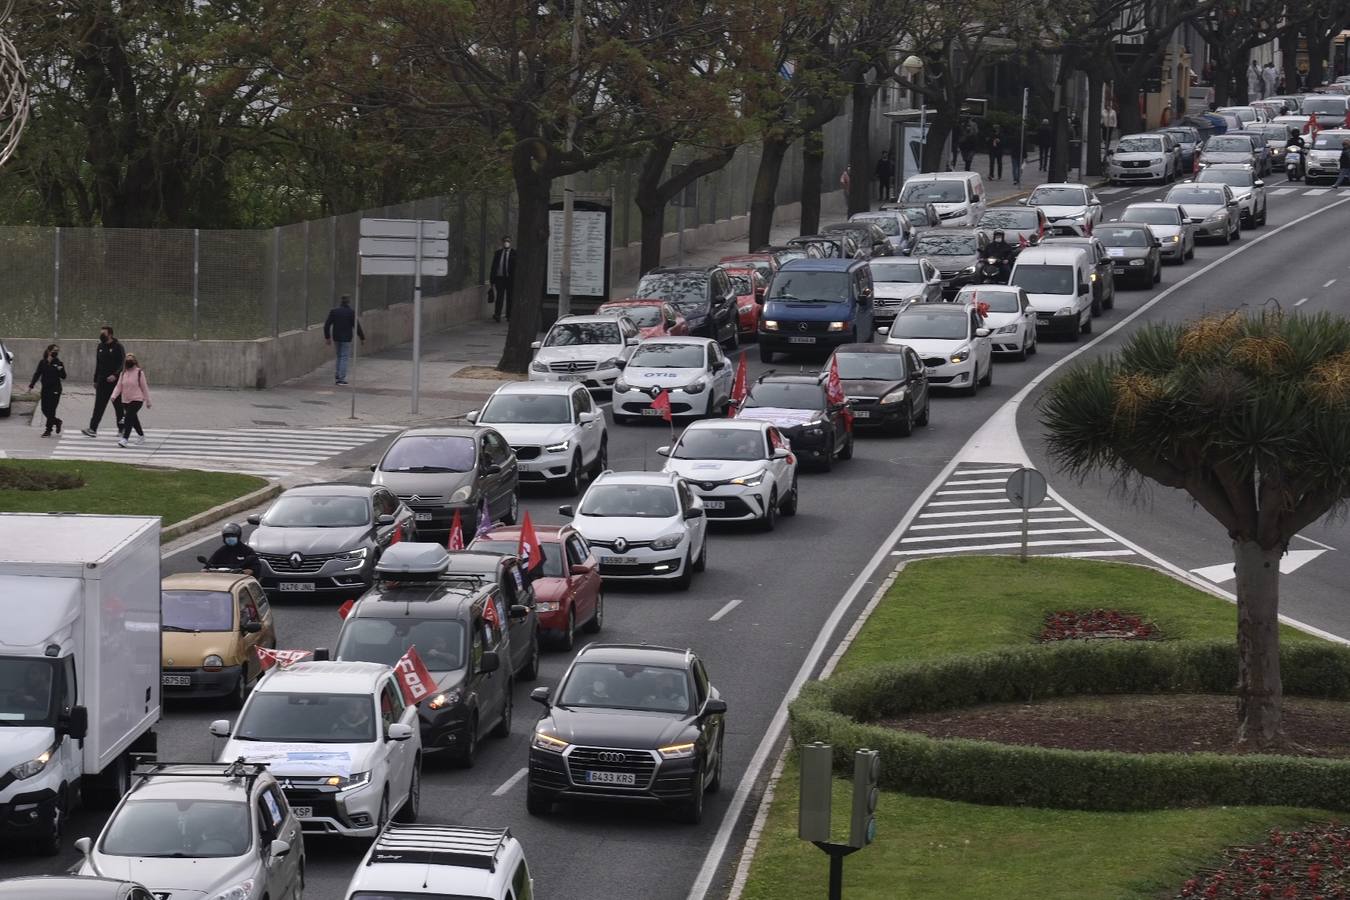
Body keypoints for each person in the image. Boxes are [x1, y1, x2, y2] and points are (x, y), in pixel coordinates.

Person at [81, 325, 124, 438]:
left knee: (118, 406)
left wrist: (115, 375)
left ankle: (122, 429)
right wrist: (95, 380)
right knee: (99, 406)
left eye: (103, 333)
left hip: (115, 383)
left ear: (110, 334)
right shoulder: (100, 346)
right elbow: (98, 364)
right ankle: (93, 429)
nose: (101, 335)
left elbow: (122, 363)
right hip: (102, 381)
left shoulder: (118, 346)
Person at [110, 353, 150, 448]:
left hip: (137, 399)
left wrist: (148, 401)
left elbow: (144, 388)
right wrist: (114, 396)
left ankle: (125, 439)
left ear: (135, 361)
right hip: (125, 400)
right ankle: (141, 435)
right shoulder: (123, 373)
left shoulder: (139, 373)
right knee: (133, 419)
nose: (129, 360)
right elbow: (119, 386)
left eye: (131, 359)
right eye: (127, 359)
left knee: (128, 418)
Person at [323, 294, 364, 385]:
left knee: (339, 356)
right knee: (344, 357)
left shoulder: (334, 311)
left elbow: (326, 325)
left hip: (336, 337)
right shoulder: (351, 312)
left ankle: (338, 374)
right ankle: (341, 379)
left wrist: (327, 337)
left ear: (340, 301)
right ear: (349, 302)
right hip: (346, 338)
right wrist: (362, 337)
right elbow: (356, 326)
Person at [28, 344, 66, 437]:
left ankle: (48, 430)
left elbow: (64, 376)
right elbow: (37, 374)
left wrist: (60, 369)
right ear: (49, 351)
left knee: (51, 409)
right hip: (45, 389)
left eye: (57, 351)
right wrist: (31, 385)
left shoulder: (59, 363)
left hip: (55, 389)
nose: (55, 352)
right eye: (54, 350)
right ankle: (57, 422)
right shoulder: (43, 362)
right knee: (44, 409)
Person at [489, 236, 516, 322]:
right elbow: (493, 267)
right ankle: (497, 314)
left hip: (510, 279)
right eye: (505, 241)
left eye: (508, 241)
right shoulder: (498, 253)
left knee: (510, 297)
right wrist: (492, 280)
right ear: (502, 242)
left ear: (510, 242)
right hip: (499, 278)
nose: (506, 243)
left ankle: (509, 315)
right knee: (499, 297)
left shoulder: (514, 253)